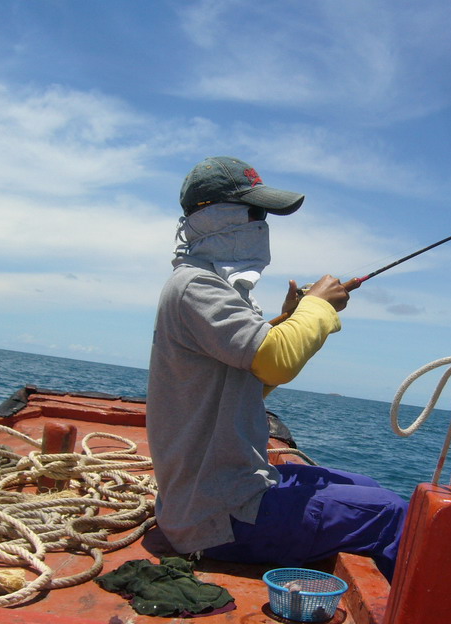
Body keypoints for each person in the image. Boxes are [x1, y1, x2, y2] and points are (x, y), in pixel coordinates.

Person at [146, 156, 407, 581]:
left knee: (367, 488)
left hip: (212, 493)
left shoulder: (205, 287)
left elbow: (255, 379)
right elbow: (277, 362)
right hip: (215, 518)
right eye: (255, 212)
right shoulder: (196, 286)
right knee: (393, 515)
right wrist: (317, 307)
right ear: (213, 215)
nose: (261, 224)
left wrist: (289, 322)